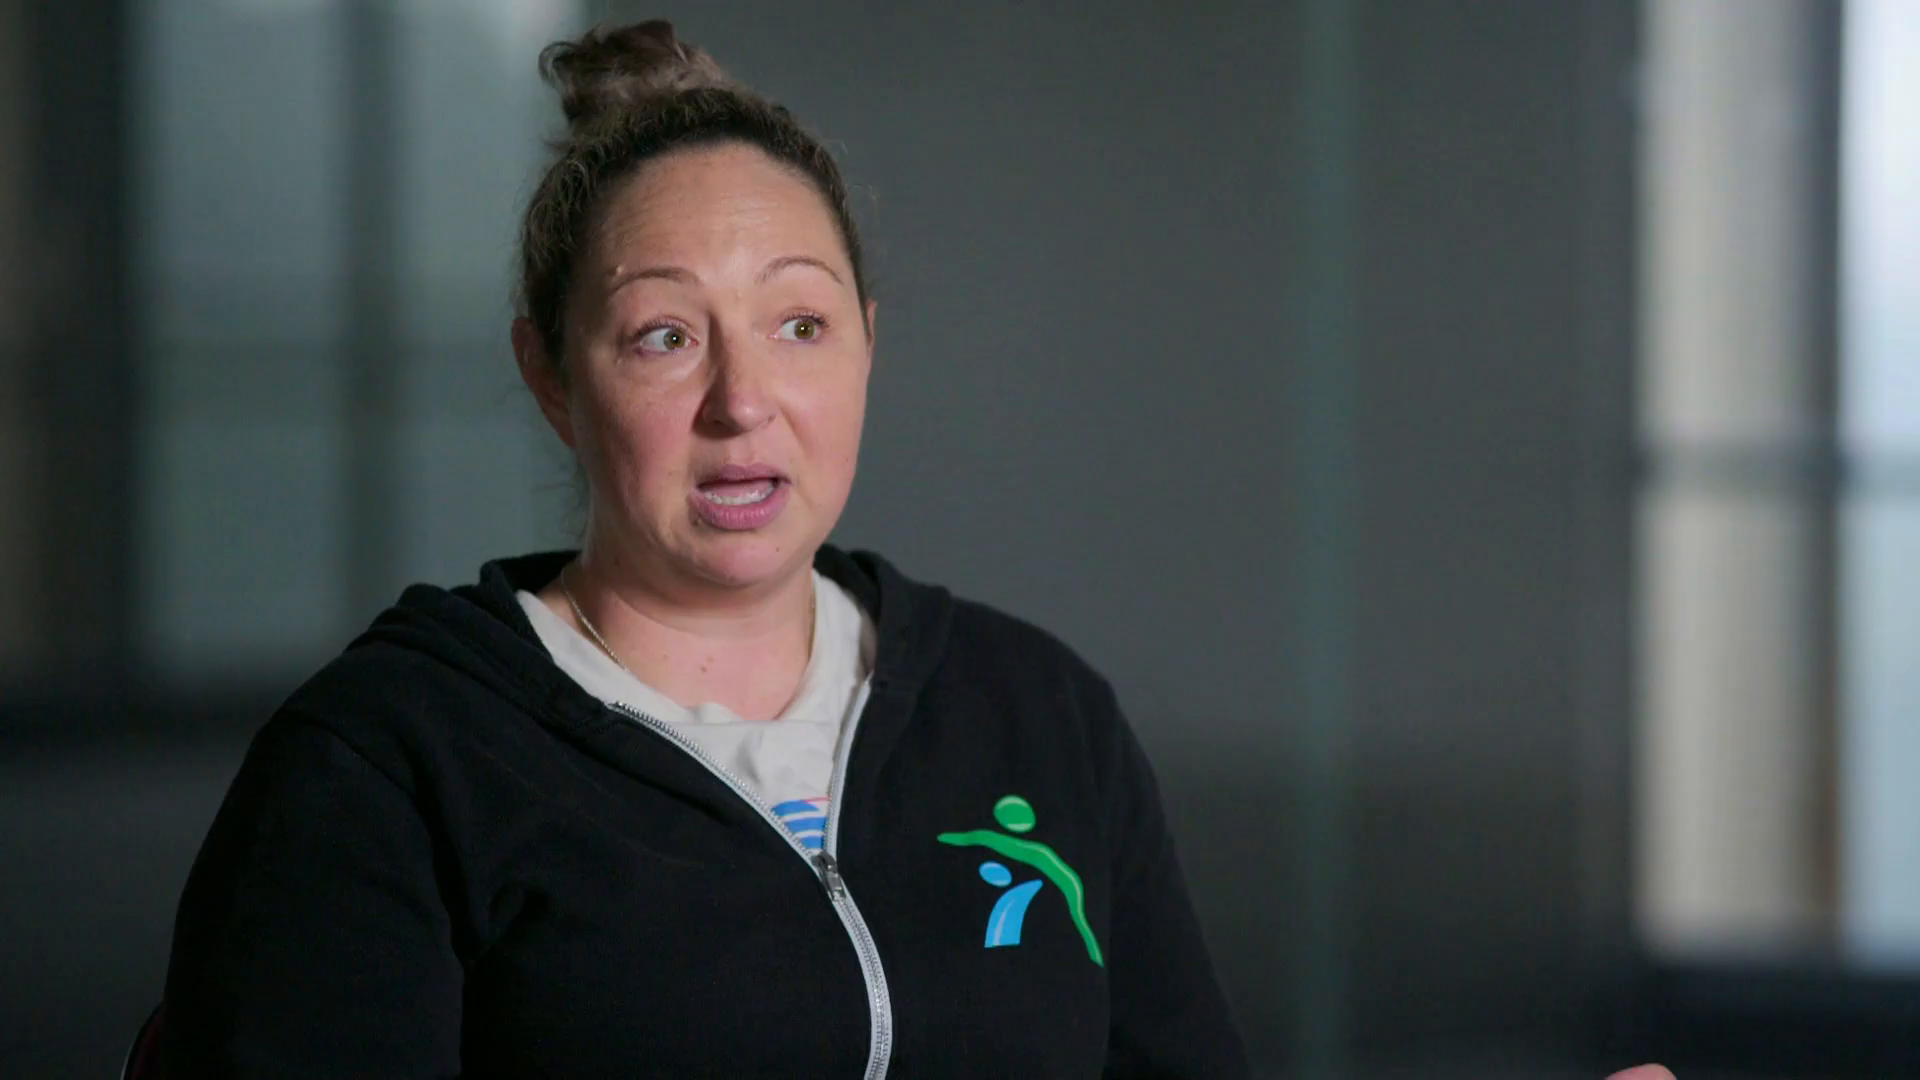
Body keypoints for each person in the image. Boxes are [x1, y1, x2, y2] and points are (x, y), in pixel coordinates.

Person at [158, 19, 1678, 1080]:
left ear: (868, 350)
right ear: (552, 377)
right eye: (665, 335)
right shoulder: (394, 762)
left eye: (800, 325)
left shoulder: (1035, 715)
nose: (744, 402)